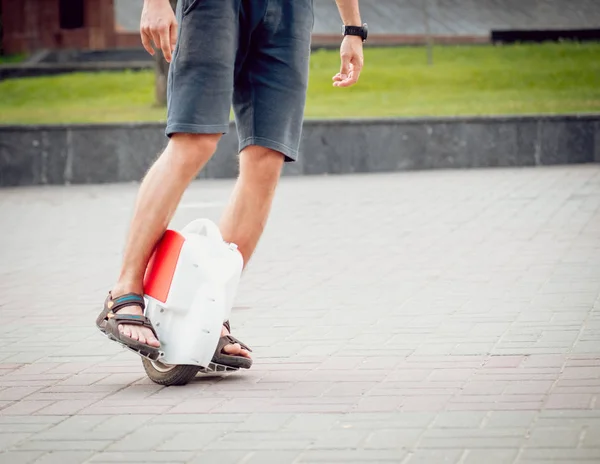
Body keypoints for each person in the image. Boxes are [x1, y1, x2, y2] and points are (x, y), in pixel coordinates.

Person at [96, 0, 366, 369]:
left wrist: (353, 28)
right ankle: (125, 290)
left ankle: (211, 313)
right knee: (194, 139)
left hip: (290, 11)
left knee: (268, 155)